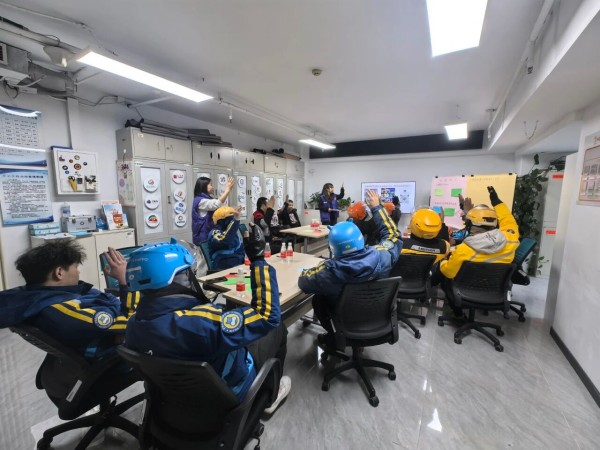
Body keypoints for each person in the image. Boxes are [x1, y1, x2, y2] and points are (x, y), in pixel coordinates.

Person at [125, 228, 291, 413]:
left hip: (174, 401)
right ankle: (271, 395)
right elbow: (267, 316)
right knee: (278, 328)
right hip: (228, 393)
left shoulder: (132, 326)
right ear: (178, 278)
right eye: (187, 272)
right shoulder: (201, 324)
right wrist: (258, 260)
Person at [0, 240, 139, 360]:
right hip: (113, 358)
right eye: (76, 267)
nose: (78, 272)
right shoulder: (60, 311)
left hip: (109, 334)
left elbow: (107, 300)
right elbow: (133, 323)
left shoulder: (38, 295)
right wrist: (125, 281)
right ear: (59, 272)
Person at [299, 190, 402, 345]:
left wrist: (323, 265)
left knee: (319, 299)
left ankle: (334, 336)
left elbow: (304, 281)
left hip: (345, 319)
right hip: (376, 317)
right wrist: (377, 208)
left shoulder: (329, 271)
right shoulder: (383, 256)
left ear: (332, 248)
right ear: (360, 238)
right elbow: (393, 234)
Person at [440, 186, 519, 281]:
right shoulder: (511, 240)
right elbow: (508, 221)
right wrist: (496, 202)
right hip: (494, 286)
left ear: (470, 225)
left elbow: (448, 273)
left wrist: (443, 260)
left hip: (467, 286)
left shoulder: (463, 250)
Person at [192, 176, 235, 245]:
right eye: (211, 185)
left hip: (209, 233)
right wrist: (227, 190)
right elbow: (216, 204)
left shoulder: (207, 199)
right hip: (203, 236)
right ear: (203, 186)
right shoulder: (199, 200)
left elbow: (219, 207)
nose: (213, 187)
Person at [207, 206, 248, 270]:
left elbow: (240, 250)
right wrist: (235, 221)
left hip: (238, 265)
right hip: (223, 267)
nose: (231, 221)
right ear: (221, 221)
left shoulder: (232, 233)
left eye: (232, 218)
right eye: (229, 219)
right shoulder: (214, 233)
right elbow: (225, 240)